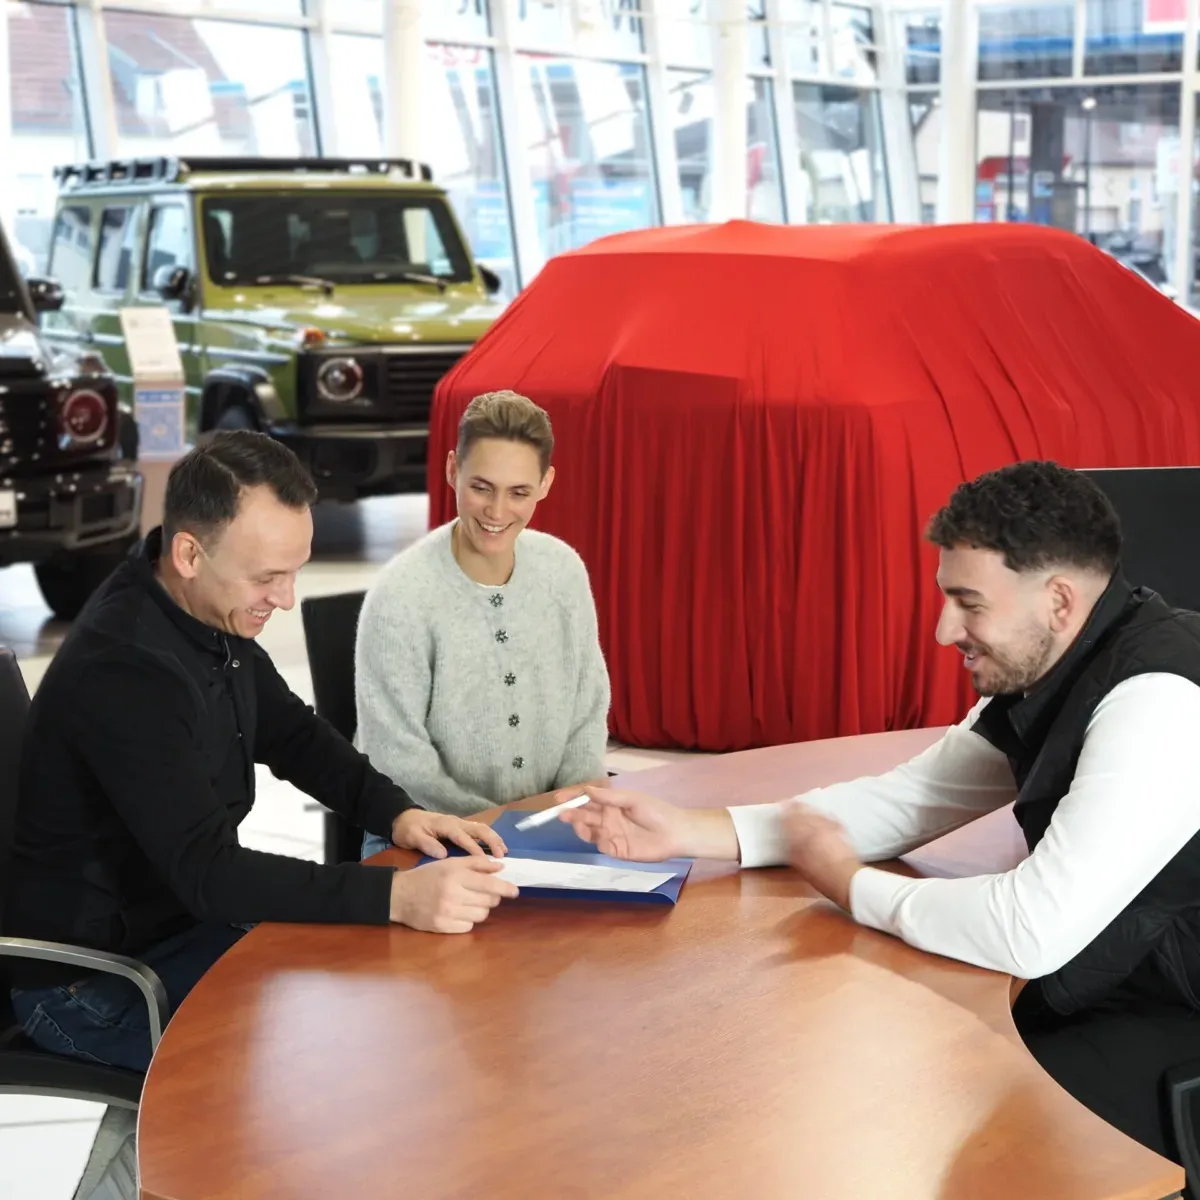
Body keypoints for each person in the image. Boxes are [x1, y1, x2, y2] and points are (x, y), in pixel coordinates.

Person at [560, 460, 1200, 1168]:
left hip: (1177, 1015)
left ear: (1057, 601)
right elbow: (915, 799)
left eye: (969, 603)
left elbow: (1030, 929)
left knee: (963, 1111)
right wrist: (697, 831)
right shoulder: (1065, 663)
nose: (942, 630)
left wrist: (851, 886)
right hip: (1121, 977)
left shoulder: (1160, 702)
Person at [4, 431, 518, 1077]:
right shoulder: (125, 669)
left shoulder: (205, 612)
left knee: (380, 1003)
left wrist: (397, 815)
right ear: (189, 552)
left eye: (294, 570)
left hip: (183, 930)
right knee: (323, 1071)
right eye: (268, 576)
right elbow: (212, 874)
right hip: (95, 982)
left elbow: (292, 735)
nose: (285, 598)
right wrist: (397, 896)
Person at [356, 390, 610, 858]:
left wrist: (572, 805)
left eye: (519, 492)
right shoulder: (400, 596)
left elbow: (587, 708)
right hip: (429, 836)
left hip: (543, 832)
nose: (496, 512)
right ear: (453, 470)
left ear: (546, 483)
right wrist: (508, 832)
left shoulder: (564, 571)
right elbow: (398, 760)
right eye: (481, 487)